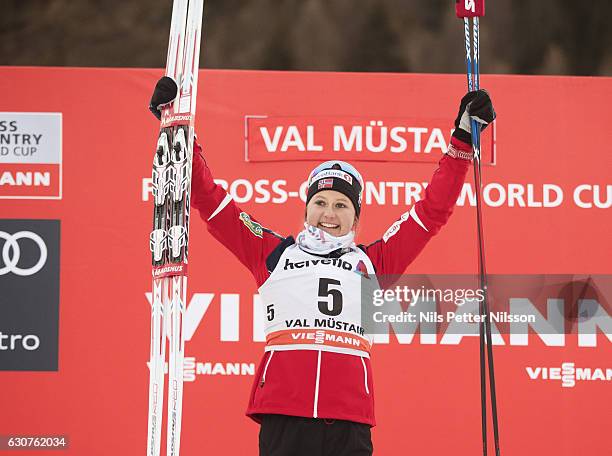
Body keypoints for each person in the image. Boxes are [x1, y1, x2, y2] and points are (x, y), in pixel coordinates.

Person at [149, 77, 496, 456]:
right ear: (306, 208)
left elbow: (432, 212)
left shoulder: (373, 263)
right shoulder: (273, 254)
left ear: (356, 217)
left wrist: (462, 141)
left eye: (341, 205)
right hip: (284, 416)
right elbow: (210, 201)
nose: (329, 214)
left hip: (347, 422)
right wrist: (178, 134)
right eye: (321, 202)